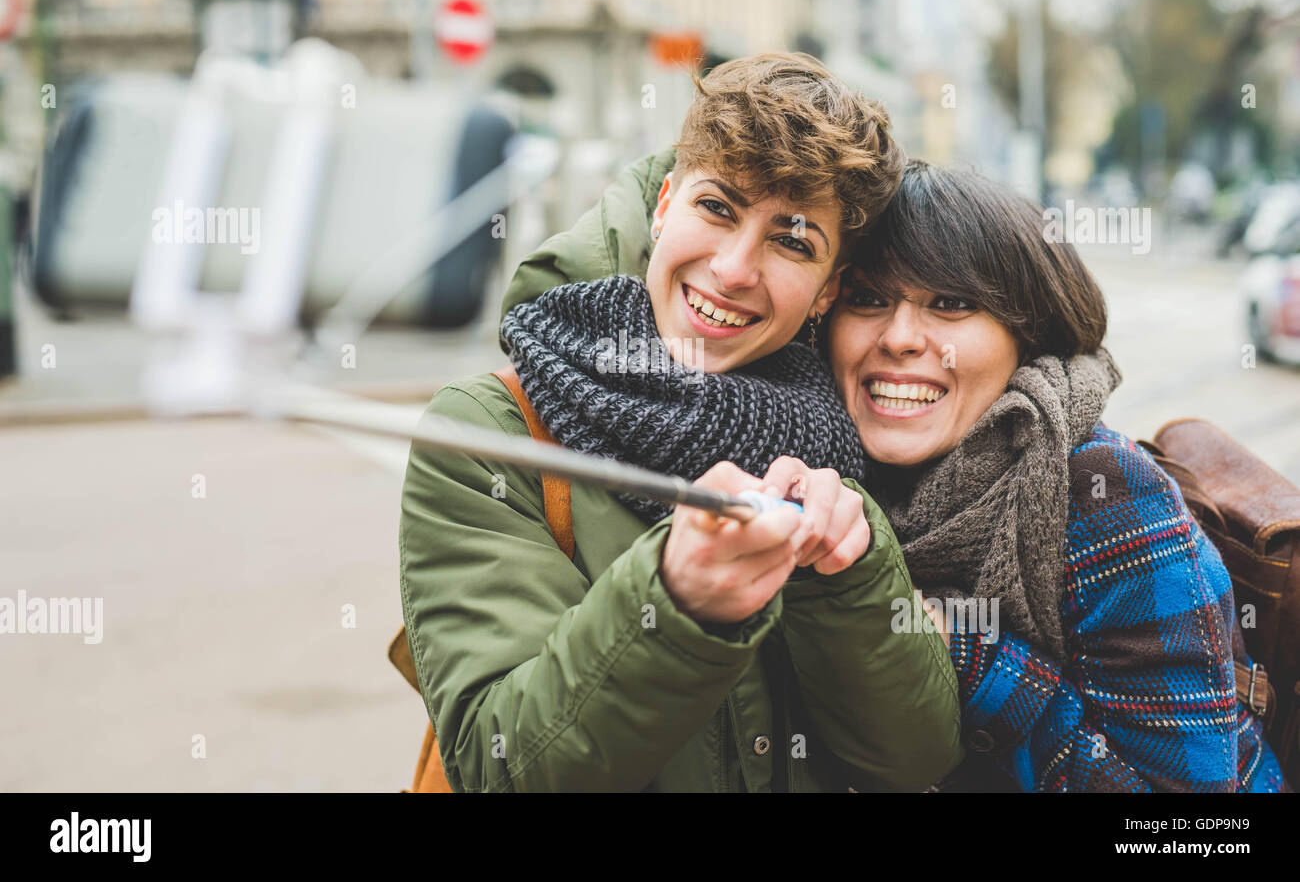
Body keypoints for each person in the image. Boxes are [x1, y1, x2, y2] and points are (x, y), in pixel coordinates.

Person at [399, 54, 963, 792]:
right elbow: (497, 766)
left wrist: (845, 576)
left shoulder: (847, 434)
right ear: (663, 203)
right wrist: (673, 602)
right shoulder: (487, 433)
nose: (733, 268)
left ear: (828, 291)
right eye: (718, 207)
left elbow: (913, 758)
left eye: (792, 241)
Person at [814, 160, 1287, 792]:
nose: (899, 337)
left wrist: (967, 657)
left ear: (1028, 335)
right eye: (868, 300)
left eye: (952, 304)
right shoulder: (823, 469)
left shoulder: (1106, 495)